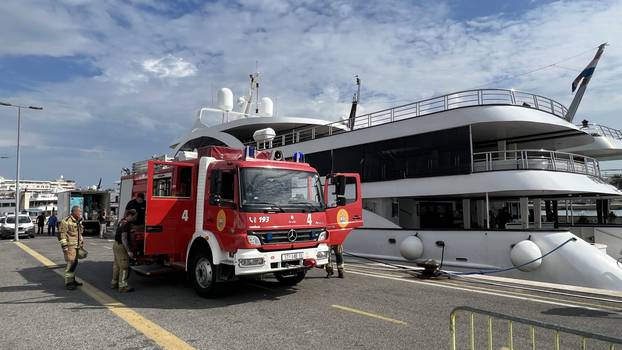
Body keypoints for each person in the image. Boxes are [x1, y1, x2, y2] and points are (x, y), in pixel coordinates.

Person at [58, 206, 85, 290]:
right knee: (70, 264)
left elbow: (79, 233)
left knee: (74, 263)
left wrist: (81, 242)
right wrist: (65, 247)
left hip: (77, 246)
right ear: (74, 212)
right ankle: (69, 283)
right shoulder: (66, 221)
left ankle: (72, 280)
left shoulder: (78, 221)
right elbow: (61, 235)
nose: (80, 213)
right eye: (79, 212)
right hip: (70, 247)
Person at [112, 209, 137, 293]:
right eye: (134, 216)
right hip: (121, 246)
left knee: (117, 265)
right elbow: (124, 238)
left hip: (116, 244)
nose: (135, 218)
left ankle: (114, 283)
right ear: (130, 215)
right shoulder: (126, 224)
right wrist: (129, 251)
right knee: (124, 266)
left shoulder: (121, 221)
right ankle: (123, 286)